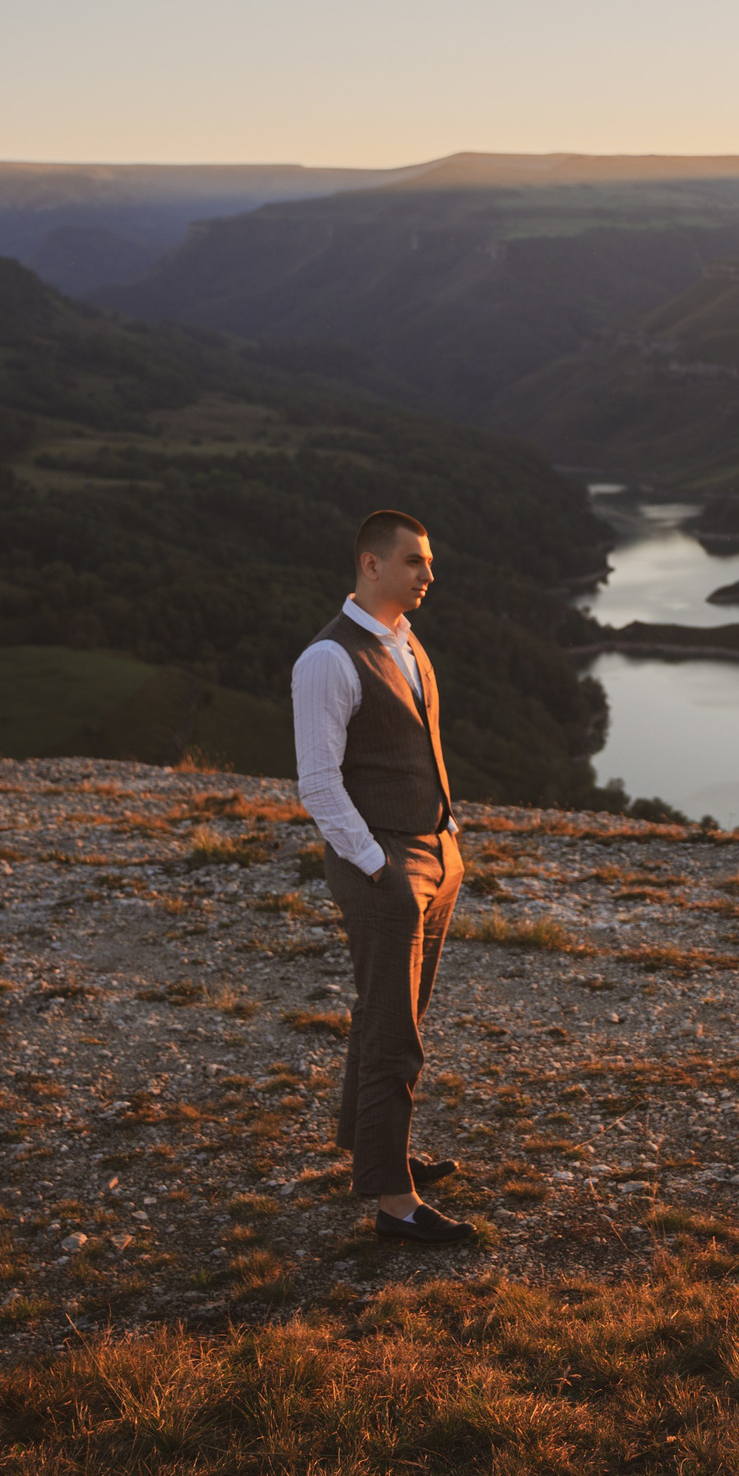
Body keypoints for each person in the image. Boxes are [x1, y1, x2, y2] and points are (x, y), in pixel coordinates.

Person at [291, 509, 474, 1244]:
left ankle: (377, 1152)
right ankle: (395, 1203)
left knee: (390, 1016)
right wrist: (379, 868)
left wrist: (449, 835)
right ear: (371, 565)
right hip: (387, 866)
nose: (428, 574)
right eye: (413, 562)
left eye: (427, 562)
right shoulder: (328, 660)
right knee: (395, 1031)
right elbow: (318, 783)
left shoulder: (404, 641)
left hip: (436, 854)